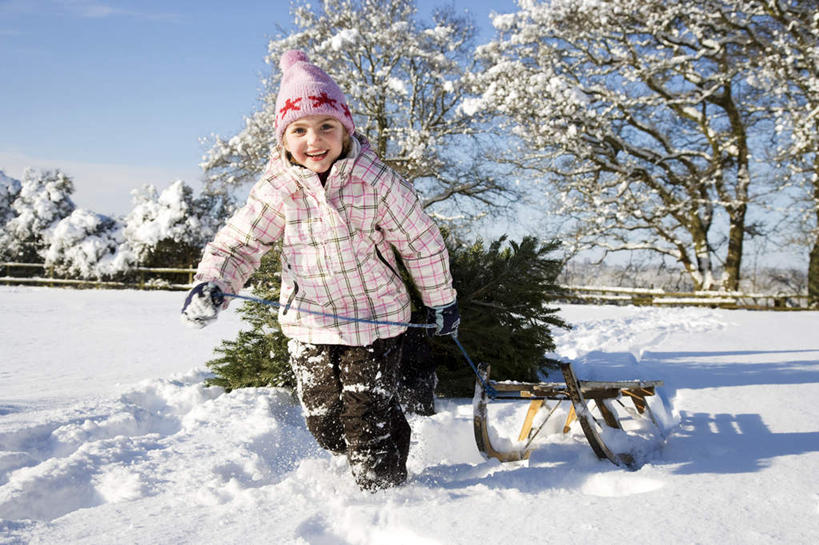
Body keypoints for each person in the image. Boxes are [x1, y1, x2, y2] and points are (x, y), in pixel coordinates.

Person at [181, 50, 459, 491]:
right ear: (283, 139)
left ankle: (385, 497)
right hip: (308, 324)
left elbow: (420, 242)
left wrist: (440, 300)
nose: (315, 140)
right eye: (300, 130)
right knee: (326, 426)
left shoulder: (375, 181)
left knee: (365, 423)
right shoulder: (277, 190)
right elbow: (240, 243)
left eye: (327, 126)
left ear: (346, 129)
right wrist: (213, 283)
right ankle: (387, 425)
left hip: (376, 323)